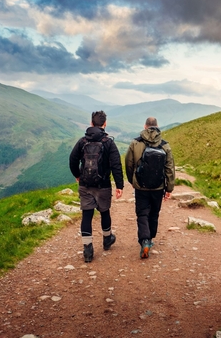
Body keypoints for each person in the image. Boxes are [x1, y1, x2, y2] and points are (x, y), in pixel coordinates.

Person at [69, 110, 124, 263]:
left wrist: (78, 175)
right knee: (104, 212)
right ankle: (107, 240)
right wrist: (120, 185)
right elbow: (116, 165)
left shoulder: (82, 141)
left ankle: (88, 250)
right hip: (103, 184)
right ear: (104, 124)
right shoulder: (109, 142)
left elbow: (72, 160)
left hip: (85, 184)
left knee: (87, 215)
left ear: (91, 123)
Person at [125, 117, 175, 259]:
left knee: (142, 213)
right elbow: (169, 168)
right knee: (154, 213)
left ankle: (145, 240)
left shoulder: (135, 143)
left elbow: (129, 164)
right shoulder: (165, 145)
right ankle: (150, 238)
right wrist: (169, 188)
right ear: (157, 126)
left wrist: (132, 180)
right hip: (158, 187)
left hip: (140, 186)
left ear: (145, 126)